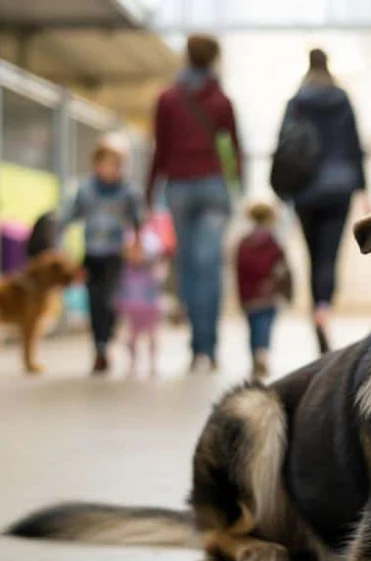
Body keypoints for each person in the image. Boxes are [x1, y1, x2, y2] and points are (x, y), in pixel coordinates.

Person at [146, 33, 243, 373]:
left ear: (186, 57)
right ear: (213, 59)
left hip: (179, 188)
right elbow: (233, 146)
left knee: (187, 265)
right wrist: (238, 185)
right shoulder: (221, 100)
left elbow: (159, 149)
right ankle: (209, 346)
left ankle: (196, 347)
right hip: (214, 187)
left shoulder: (168, 99)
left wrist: (149, 192)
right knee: (209, 267)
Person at [275, 48, 367, 355]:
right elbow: (356, 145)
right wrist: (363, 189)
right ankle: (324, 307)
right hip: (340, 187)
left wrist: (282, 190)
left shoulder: (296, 102)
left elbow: (284, 146)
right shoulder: (342, 100)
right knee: (330, 255)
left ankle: (316, 307)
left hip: (305, 189)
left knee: (313, 255)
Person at [59, 143, 144, 374]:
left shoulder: (128, 191)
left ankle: (109, 333)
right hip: (91, 252)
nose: (109, 169)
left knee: (111, 299)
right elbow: (69, 214)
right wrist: (57, 231)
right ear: (96, 165)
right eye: (104, 163)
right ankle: (100, 346)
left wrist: (137, 246)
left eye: (114, 164)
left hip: (115, 253)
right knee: (95, 300)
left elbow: (137, 220)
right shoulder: (85, 189)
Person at [235, 202, 292, 380]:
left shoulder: (243, 244)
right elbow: (283, 270)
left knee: (253, 329)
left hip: (250, 297)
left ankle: (256, 357)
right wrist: (286, 293)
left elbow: (239, 272)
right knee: (265, 327)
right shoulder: (274, 244)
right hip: (269, 296)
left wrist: (242, 297)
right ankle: (262, 355)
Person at [116, 224, 168, 378]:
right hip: (132, 308)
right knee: (131, 338)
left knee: (152, 337)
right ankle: (132, 363)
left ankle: (153, 363)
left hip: (149, 307)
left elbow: (160, 278)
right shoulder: (125, 271)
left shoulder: (151, 270)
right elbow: (121, 289)